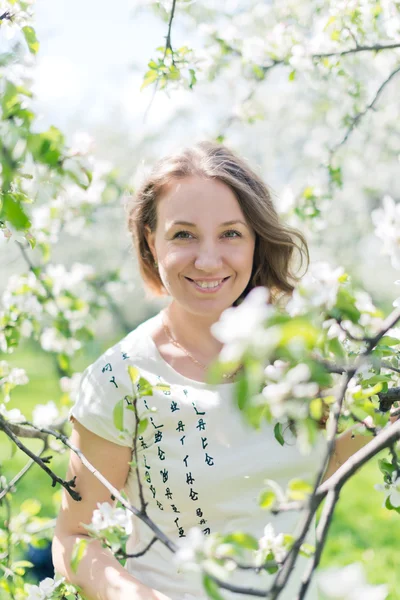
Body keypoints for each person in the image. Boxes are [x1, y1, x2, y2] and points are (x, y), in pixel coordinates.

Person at [52, 141, 369, 600]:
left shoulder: (306, 350)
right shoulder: (121, 378)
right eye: (183, 235)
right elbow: (74, 537)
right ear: (149, 240)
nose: (207, 259)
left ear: (256, 239)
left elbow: (327, 463)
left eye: (230, 234)